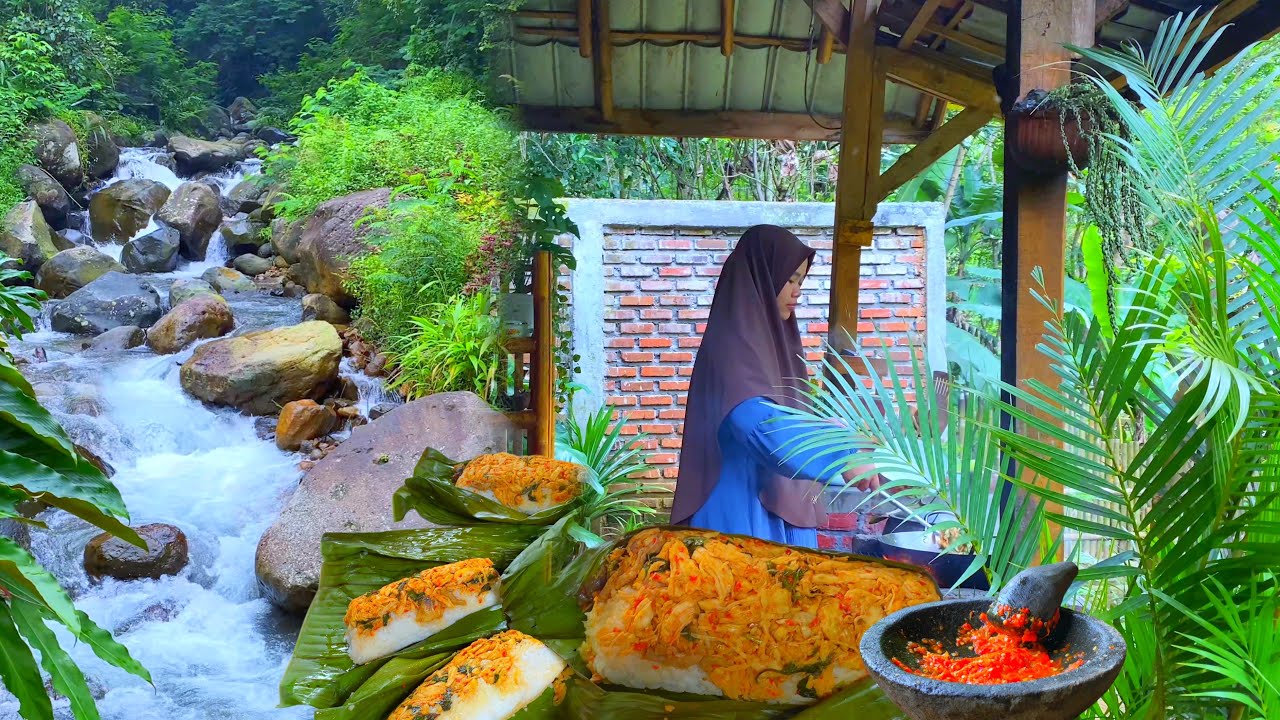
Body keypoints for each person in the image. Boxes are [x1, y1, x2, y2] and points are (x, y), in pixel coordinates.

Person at [669, 224, 878, 548]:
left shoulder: (772, 343)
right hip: (740, 518)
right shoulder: (730, 345)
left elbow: (787, 415)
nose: (796, 291)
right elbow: (758, 424)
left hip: (776, 508)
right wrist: (841, 450)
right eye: (789, 279)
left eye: (800, 280)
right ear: (761, 279)